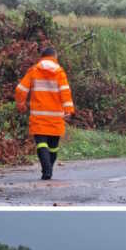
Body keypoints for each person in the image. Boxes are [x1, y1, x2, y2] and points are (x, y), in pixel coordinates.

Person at [15, 47, 75, 180]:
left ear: (42, 57)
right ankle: (48, 169)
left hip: (39, 116)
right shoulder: (59, 72)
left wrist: (21, 103)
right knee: (53, 147)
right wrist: (69, 110)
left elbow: (20, 89)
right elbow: (65, 92)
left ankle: (46, 170)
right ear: (55, 57)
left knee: (41, 143)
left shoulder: (34, 71)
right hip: (55, 117)